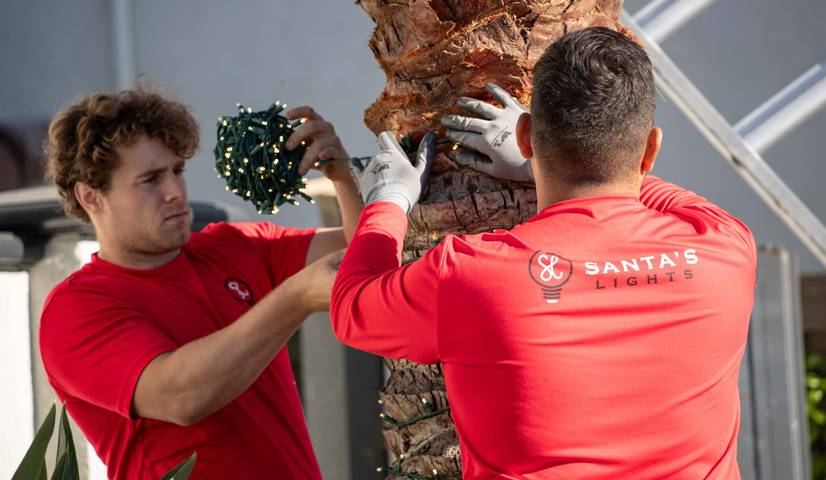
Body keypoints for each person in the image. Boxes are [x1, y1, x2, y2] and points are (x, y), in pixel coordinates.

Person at [331, 27, 756, 479]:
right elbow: (654, 194)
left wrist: (389, 200)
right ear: (651, 149)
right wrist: (535, 167)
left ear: (527, 135)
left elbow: (351, 307)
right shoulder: (724, 248)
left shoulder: (470, 275)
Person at [39, 88, 361, 479]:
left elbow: (364, 252)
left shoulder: (234, 245)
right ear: (91, 197)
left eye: (177, 170)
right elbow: (182, 397)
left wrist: (344, 176)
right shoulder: (76, 308)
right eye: (151, 179)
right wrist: (294, 299)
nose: (176, 191)